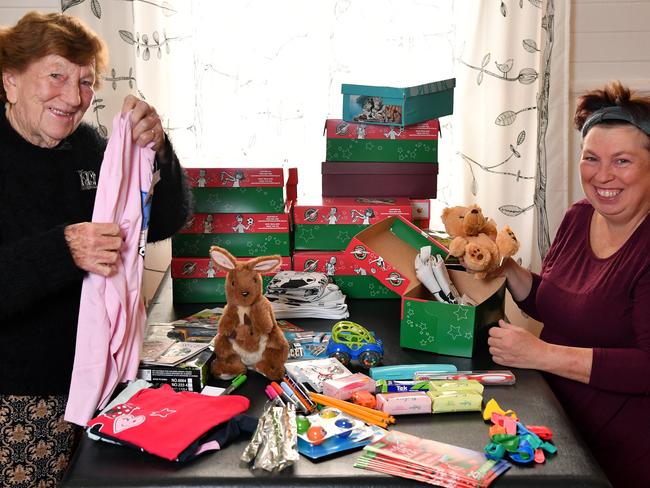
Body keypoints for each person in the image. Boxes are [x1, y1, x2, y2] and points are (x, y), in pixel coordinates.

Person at [0, 11, 192, 487]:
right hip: (22, 398)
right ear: (10, 81)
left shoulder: (89, 147)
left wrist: (158, 149)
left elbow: (163, 222)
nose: (73, 97)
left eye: (85, 82)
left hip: (109, 384)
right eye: (56, 76)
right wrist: (63, 248)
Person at [486, 81, 650, 487]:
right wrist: (505, 266)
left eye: (622, 161)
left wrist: (541, 354)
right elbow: (561, 305)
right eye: (591, 158)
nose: (603, 174)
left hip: (623, 458)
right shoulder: (579, 216)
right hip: (559, 428)